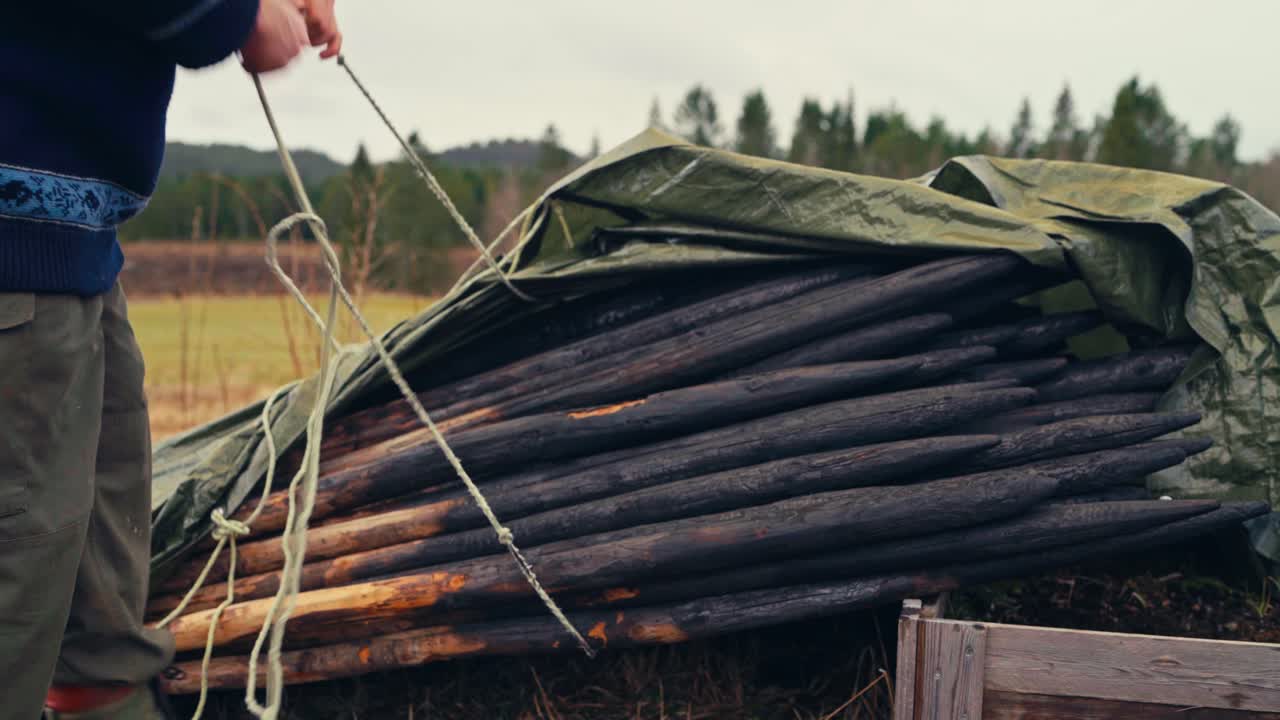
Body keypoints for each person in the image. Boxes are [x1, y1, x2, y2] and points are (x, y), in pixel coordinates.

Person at [1, 1, 341, 717]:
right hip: (15, 251)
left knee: (100, 599)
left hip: (70, 247)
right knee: (18, 563)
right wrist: (233, 15)